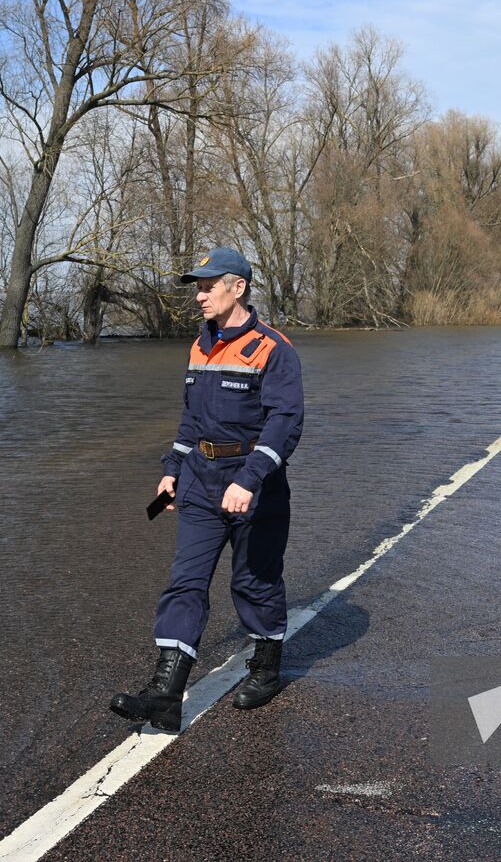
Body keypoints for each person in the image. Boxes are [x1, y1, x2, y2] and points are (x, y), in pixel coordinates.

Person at [111, 247, 304, 732]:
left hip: (255, 485)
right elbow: (191, 420)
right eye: (197, 287)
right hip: (200, 479)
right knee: (186, 581)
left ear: (238, 288)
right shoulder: (200, 346)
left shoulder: (273, 349)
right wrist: (172, 468)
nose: (199, 295)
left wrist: (249, 479)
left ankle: (266, 668)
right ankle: (165, 695)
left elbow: (285, 423)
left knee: (254, 581)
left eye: (208, 286)